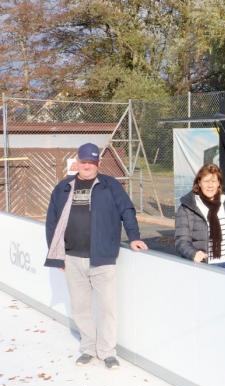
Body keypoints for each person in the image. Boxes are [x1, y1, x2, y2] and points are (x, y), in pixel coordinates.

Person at [45, 142, 148, 370]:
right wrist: (57, 255)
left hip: (102, 258)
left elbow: (127, 210)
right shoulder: (63, 188)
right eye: (84, 161)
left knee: (106, 308)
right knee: (81, 308)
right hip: (72, 258)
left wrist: (134, 237)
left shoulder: (110, 186)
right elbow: (52, 222)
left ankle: (107, 352)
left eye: (92, 162)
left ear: (98, 164)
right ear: (77, 162)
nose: (88, 166)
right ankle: (88, 349)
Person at [175, 164, 225, 273]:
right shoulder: (188, 207)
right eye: (206, 181)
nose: (210, 185)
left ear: (219, 183)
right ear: (199, 183)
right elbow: (181, 241)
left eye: (213, 181)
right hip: (203, 266)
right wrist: (192, 253)